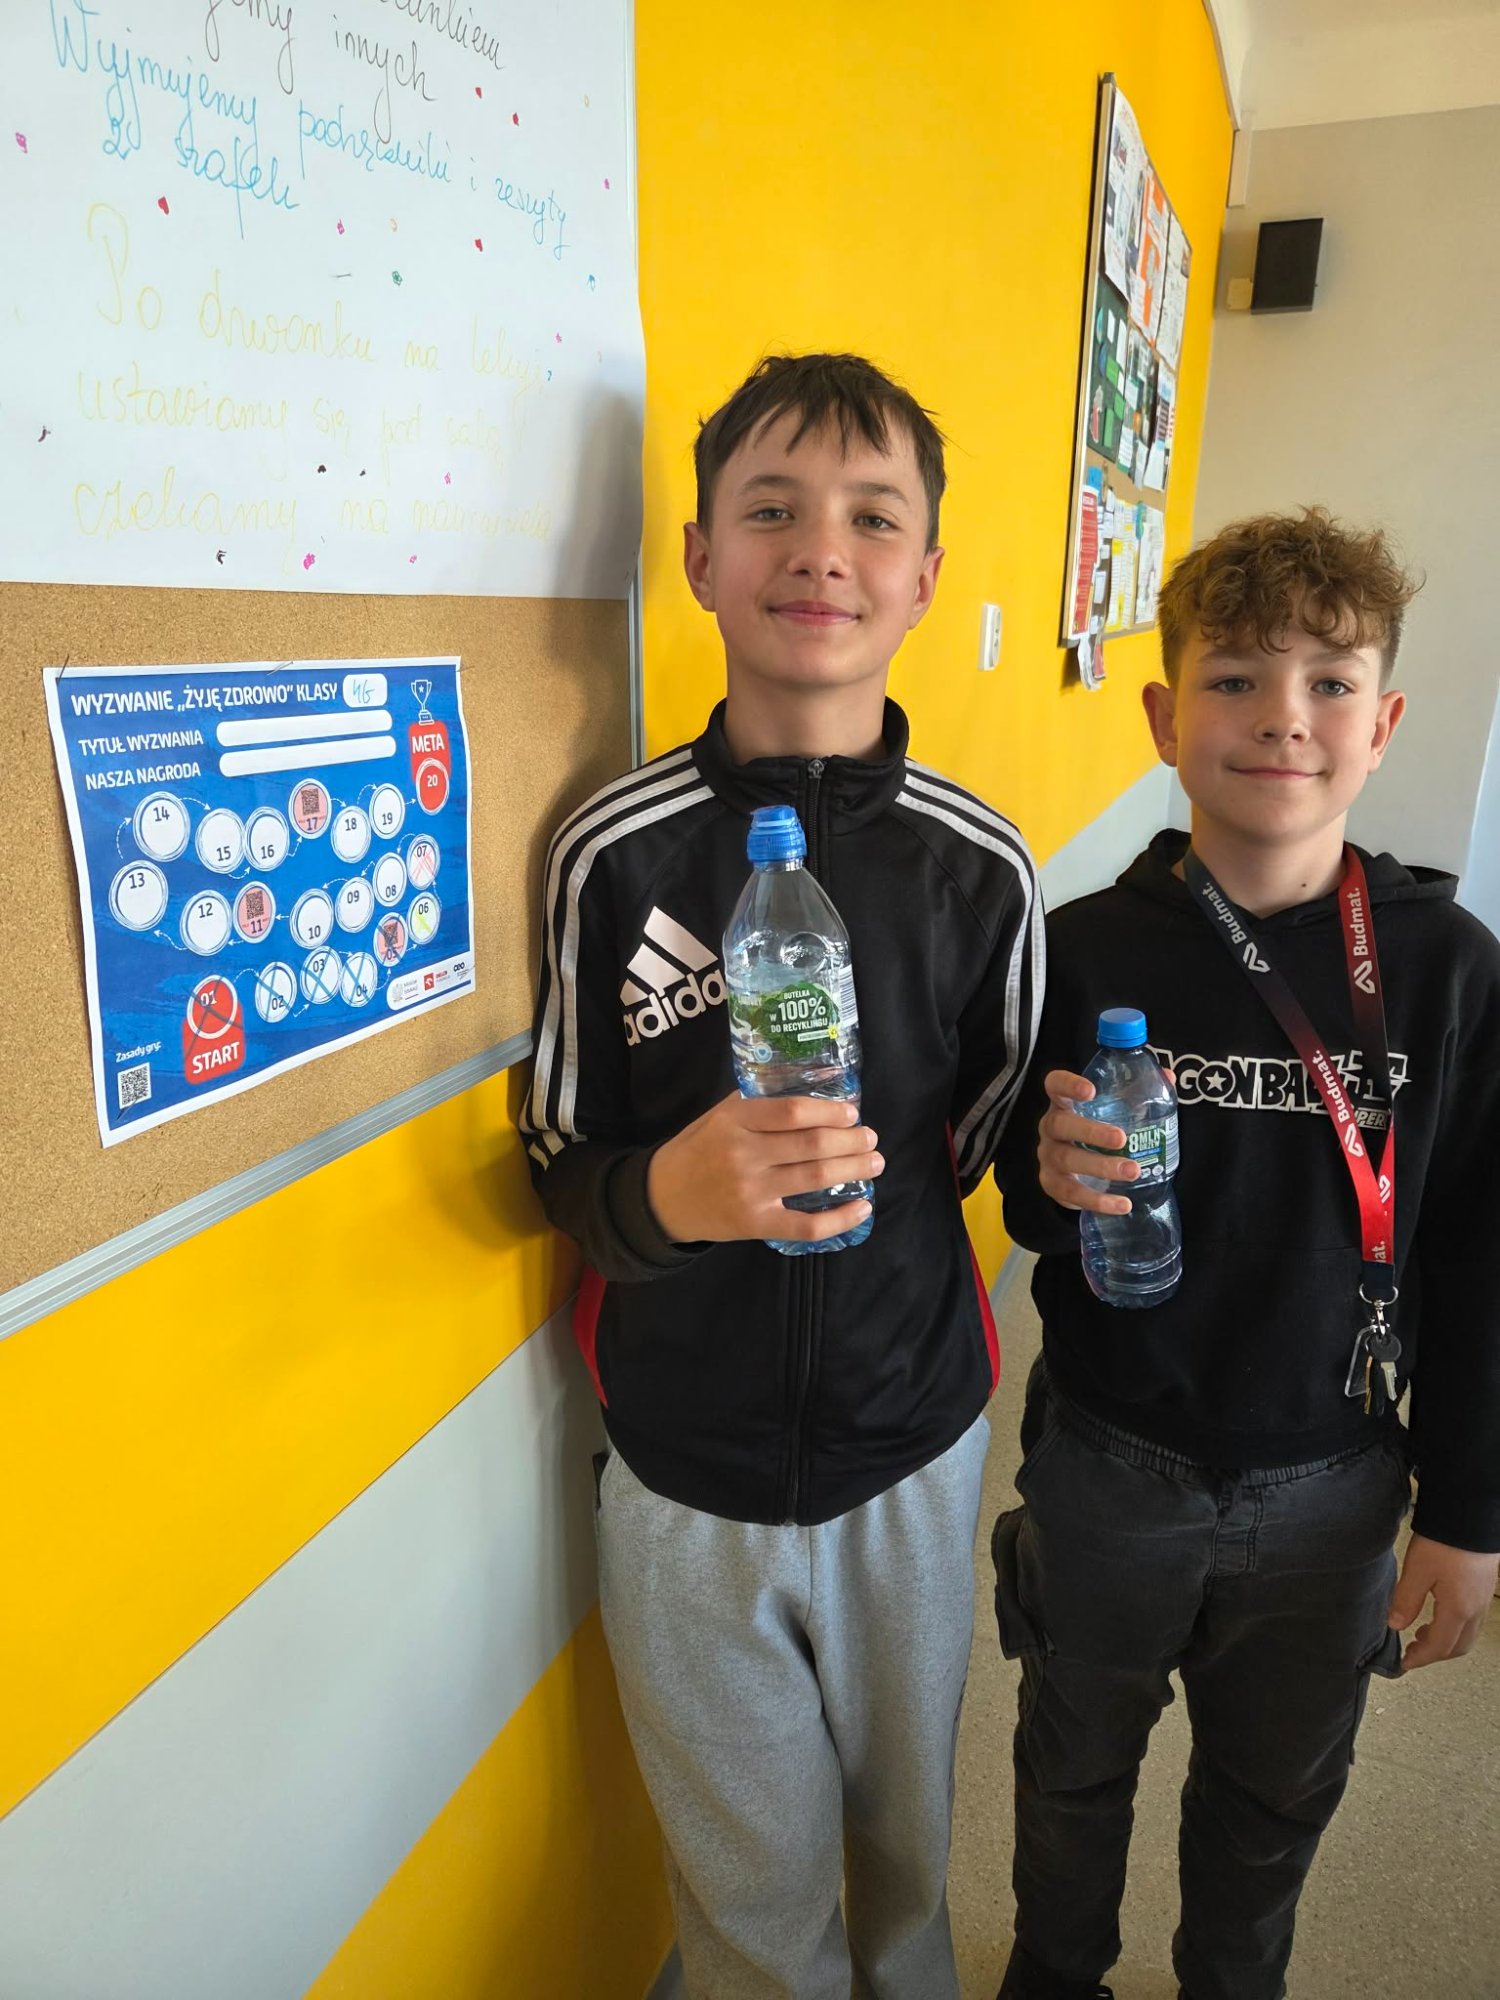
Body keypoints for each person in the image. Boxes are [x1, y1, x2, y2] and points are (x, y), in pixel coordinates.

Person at [521, 352, 1043, 1999]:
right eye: (771, 509)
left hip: (913, 1448)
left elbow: (979, 1140)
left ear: (926, 576)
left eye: (872, 518)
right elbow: (558, 1151)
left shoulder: (981, 867)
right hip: (685, 1473)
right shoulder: (611, 852)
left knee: (905, 1864)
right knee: (751, 1905)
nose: (821, 551)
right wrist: (669, 1199)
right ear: (697, 557)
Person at [990, 508, 1500, 2000]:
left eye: (1331, 682)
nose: (1284, 717)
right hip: (1110, 1459)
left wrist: (1470, 1512)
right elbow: (1026, 1202)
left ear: (1383, 726)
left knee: (1274, 1800)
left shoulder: (1447, 971)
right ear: (1164, 717)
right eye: (1235, 679)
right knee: (1070, 1767)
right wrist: (1051, 1178)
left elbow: (1482, 1258)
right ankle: (1056, 1975)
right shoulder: (1080, 947)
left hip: (1336, 1480)